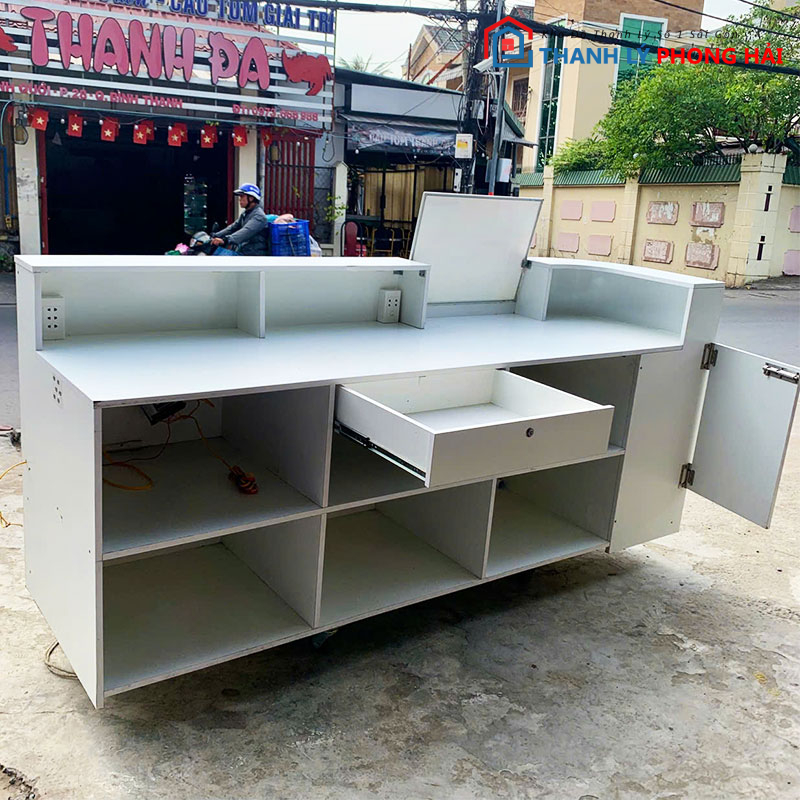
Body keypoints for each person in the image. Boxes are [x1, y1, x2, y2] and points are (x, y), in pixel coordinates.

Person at [211, 183, 274, 256]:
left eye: (242, 196)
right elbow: (232, 227)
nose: (239, 199)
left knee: (222, 259)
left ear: (251, 198)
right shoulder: (246, 213)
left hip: (253, 255)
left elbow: (245, 232)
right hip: (244, 251)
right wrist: (215, 235)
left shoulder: (259, 217)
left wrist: (225, 240)